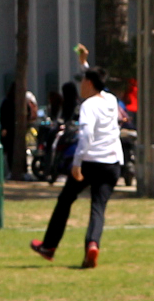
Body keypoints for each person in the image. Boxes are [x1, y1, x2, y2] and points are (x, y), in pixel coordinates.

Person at [31, 66, 122, 268]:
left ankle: (49, 246)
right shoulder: (111, 100)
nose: (80, 85)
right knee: (98, 207)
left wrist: (77, 163)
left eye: (83, 80)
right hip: (112, 163)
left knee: (65, 200)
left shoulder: (88, 105)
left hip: (90, 162)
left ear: (89, 83)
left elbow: (86, 135)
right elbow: (100, 82)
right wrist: (84, 64)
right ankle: (92, 244)